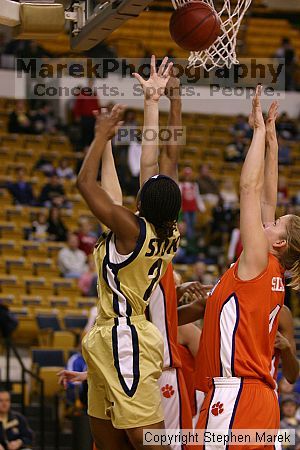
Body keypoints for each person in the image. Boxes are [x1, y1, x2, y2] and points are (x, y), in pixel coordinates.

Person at [77, 56, 182, 450]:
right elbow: (163, 162)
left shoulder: (130, 229)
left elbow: (85, 185)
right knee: (107, 443)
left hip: (127, 337)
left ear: (142, 202)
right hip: (108, 336)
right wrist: (162, 102)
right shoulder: (167, 229)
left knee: (148, 442)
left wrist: (101, 137)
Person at [196, 87, 300, 446]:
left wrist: (255, 132)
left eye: (274, 225)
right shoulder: (270, 269)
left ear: (279, 243)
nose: (266, 222)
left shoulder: (257, 261)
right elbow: (267, 197)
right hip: (259, 400)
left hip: (235, 396)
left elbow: (249, 189)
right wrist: (272, 142)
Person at [179, 167, 206, 239]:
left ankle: (192, 239)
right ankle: (188, 239)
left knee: (193, 223)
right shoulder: (181, 185)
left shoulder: (194, 185)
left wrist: (201, 207)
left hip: (193, 207)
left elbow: (197, 196)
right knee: (187, 223)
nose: (188, 177)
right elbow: (180, 197)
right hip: (185, 208)